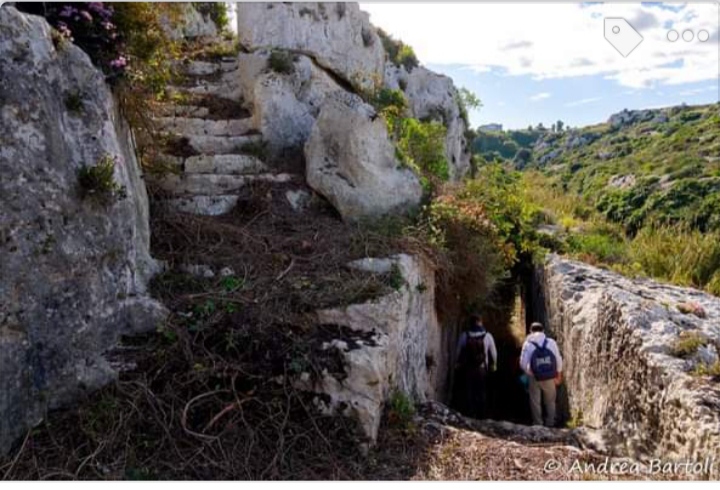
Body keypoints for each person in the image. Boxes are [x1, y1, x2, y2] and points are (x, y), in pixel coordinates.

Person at [520, 322, 563, 427]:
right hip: (550, 376)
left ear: (530, 331)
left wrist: (530, 372)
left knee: (535, 402)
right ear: (543, 331)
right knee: (550, 401)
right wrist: (558, 374)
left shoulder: (527, 344)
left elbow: (522, 363)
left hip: (534, 377)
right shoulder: (551, 342)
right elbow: (558, 359)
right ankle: (550, 424)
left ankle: (538, 424)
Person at [454, 313, 497, 418]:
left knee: (469, 390)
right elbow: (494, 352)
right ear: (480, 322)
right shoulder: (487, 335)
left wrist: (457, 363)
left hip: (468, 367)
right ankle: (481, 414)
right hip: (482, 368)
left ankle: (470, 413)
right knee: (481, 390)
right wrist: (494, 364)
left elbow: (458, 350)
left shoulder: (465, 335)